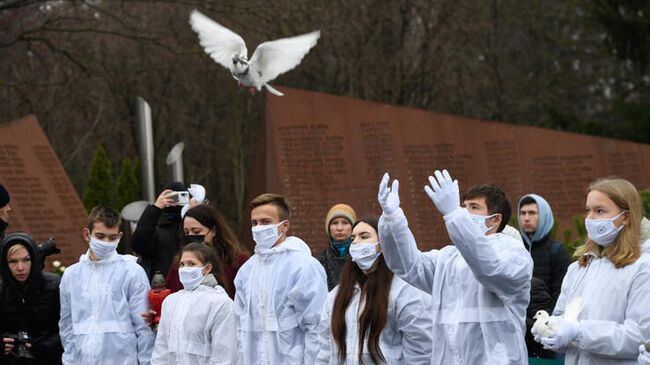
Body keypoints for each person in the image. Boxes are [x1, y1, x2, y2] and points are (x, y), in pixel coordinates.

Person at [377, 170, 533, 364]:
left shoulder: (514, 253)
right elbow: (407, 265)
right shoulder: (447, 258)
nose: (464, 212)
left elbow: (491, 268)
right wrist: (393, 220)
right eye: (462, 206)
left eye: (473, 207)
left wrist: (453, 214)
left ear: (495, 219)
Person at [534, 178, 650, 364]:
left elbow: (639, 336)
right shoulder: (580, 266)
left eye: (600, 211)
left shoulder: (643, 267)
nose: (590, 218)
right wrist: (551, 330)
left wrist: (579, 332)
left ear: (626, 217)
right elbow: (565, 316)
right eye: (588, 210)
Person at [316, 216, 432, 364]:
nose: (356, 242)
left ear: (383, 245)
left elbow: (421, 350)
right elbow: (324, 350)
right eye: (353, 238)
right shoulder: (337, 295)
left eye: (364, 236)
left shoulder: (405, 291)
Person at [234, 193, 328, 364]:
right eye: (254, 223)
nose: (258, 228)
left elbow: (317, 326)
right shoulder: (246, 271)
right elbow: (240, 326)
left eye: (266, 222)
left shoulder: (302, 266)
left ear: (284, 226)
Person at [59, 206, 154, 364]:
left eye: (112, 237)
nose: (106, 242)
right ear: (87, 234)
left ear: (120, 236)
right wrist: (69, 360)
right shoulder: (71, 275)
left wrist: (147, 362)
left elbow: (144, 326)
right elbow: (67, 324)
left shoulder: (131, 272)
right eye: (100, 236)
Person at [151, 243, 237, 364]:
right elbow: (161, 348)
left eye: (191, 264)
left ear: (207, 269)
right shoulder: (171, 302)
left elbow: (224, 354)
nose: (185, 268)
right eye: (182, 264)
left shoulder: (220, 303)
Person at [1, 233, 62, 364]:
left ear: (34, 259)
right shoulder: (1, 290)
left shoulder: (54, 285)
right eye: (13, 261)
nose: (20, 268)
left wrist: (41, 347)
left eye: (26, 260)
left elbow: (69, 328)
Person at [166, 204, 249, 298]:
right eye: (186, 232)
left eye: (197, 232)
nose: (191, 236)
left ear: (213, 231)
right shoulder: (179, 263)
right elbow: (170, 294)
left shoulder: (236, 260)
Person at [517, 194, 571, 304]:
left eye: (532, 213)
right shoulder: (515, 248)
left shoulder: (557, 251)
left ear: (544, 216)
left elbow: (561, 294)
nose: (526, 218)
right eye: (523, 213)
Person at [131, 182, 186, 279]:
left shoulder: (191, 228)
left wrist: (195, 212)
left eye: (182, 196)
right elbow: (138, 245)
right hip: (163, 287)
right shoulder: (156, 230)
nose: (176, 201)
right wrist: (155, 208)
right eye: (173, 197)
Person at [316, 203, 357, 290]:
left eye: (345, 223)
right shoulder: (320, 261)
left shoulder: (361, 258)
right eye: (335, 223)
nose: (339, 228)